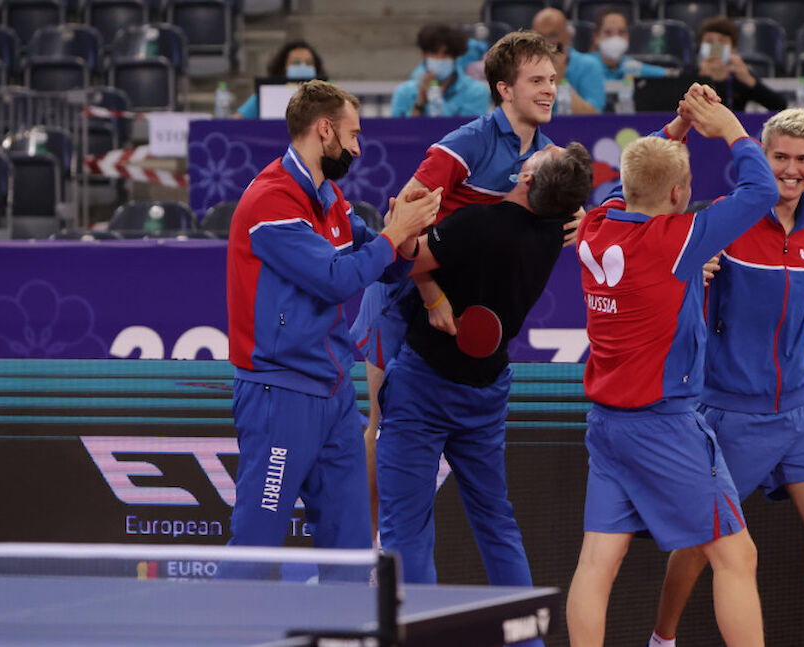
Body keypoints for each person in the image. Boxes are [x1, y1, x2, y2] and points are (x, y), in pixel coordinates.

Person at [565, 84, 779, 647]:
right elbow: (760, 191)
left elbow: (630, 184)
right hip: (663, 423)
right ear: (681, 194)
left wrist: (678, 129)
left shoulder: (597, 225)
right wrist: (730, 127)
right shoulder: (677, 237)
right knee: (737, 555)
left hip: (606, 424)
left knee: (596, 565)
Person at [650, 108, 804, 647]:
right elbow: (668, 280)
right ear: (762, 159)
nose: (791, 169)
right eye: (780, 157)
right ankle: (662, 638)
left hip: (801, 412)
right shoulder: (725, 217)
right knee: (699, 545)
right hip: (732, 412)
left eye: (802, 159)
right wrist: (698, 271)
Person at [351, 30, 564, 537]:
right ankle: (363, 551)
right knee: (381, 426)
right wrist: (432, 293)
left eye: (553, 79)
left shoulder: (549, 158)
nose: (549, 90)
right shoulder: (467, 145)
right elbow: (398, 216)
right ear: (503, 89)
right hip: (403, 296)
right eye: (536, 80)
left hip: (459, 320)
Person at [226, 80, 441, 558]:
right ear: (325, 130)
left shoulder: (331, 200)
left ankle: (344, 635)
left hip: (336, 397)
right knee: (254, 550)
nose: (358, 147)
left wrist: (404, 241)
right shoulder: (270, 201)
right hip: (279, 395)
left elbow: (379, 255)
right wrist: (394, 235)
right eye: (353, 134)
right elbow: (336, 279)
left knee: (349, 551)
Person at [376, 142, 594, 590]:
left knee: (406, 530)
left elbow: (401, 258)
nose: (536, 151)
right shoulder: (555, 230)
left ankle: (410, 634)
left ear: (528, 179)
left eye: (536, 157)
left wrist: (397, 225)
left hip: (425, 388)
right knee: (497, 524)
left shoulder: (478, 225)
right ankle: (525, 639)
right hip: (487, 391)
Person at [391, 24, 490, 117]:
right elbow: (397, 132)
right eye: (434, 52)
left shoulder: (477, 91)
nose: (440, 58)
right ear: (424, 54)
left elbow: (470, 132)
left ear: (455, 56)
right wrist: (419, 104)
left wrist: (435, 96)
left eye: (447, 53)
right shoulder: (404, 92)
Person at [690, 16, 787, 112]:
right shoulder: (690, 75)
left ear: (733, 48)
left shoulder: (739, 77)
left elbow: (780, 105)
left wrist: (749, 80)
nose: (716, 47)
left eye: (722, 41)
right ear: (701, 47)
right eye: (709, 41)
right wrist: (703, 79)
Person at [532, 7, 607, 113]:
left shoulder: (589, 66)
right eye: (540, 36)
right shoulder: (524, 68)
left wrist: (559, 80)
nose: (546, 43)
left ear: (567, 35)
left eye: (553, 35)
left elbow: (593, 115)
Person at [234, 41, 326, 119]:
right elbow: (234, 122)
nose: (303, 66)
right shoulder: (264, 96)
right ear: (283, 68)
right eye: (296, 63)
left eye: (309, 63)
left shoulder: (328, 97)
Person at [590, 7, 669, 80]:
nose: (615, 38)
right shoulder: (585, 66)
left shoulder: (630, 66)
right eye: (608, 32)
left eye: (621, 32)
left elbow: (666, 73)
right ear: (596, 36)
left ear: (628, 36)